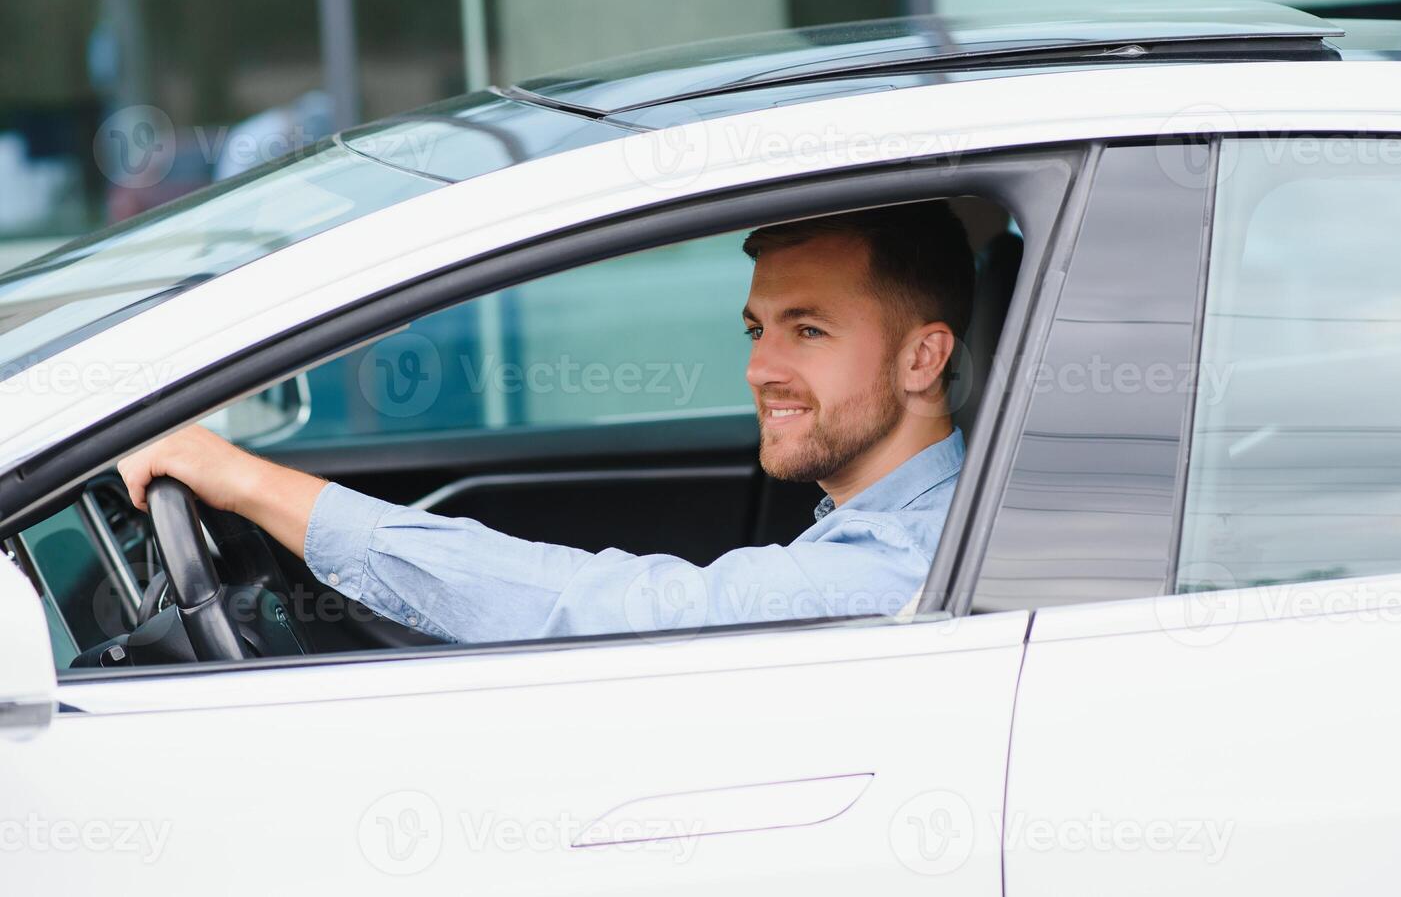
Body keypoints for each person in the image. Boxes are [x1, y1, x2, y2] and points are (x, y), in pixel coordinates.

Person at [118, 202, 976, 643]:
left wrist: (251, 483)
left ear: (922, 359)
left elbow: (606, 610)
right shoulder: (912, 522)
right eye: (758, 330)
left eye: (810, 330)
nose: (760, 369)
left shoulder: (896, 569)